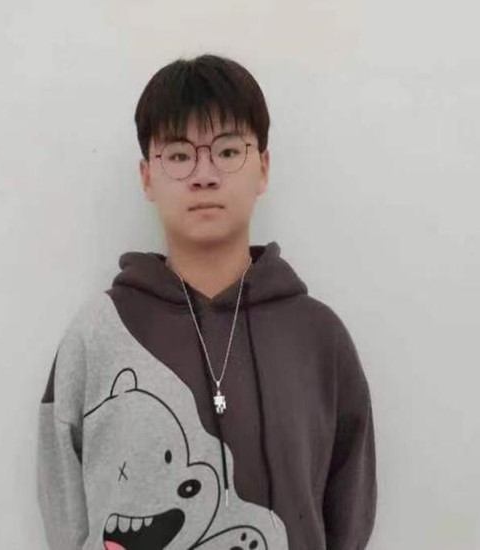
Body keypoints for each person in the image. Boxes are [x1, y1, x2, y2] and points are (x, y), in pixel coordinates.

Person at [37, 53, 377, 550]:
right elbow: (63, 505)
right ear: (146, 176)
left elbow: (348, 512)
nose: (204, 174)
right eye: (179, 155)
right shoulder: (98, 334)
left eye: (227, 151)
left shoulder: (319, 338)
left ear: (263, 168)